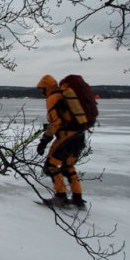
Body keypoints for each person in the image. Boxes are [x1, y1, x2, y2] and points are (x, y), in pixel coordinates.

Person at [35, 74, 86, 208]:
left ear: (47, 88)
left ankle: (60, 197)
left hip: (67, 137)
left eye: (42, 89)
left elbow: (56, 122)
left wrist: (45, 140)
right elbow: (63, 118)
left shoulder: (53, 98)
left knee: (50, 166)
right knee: (68, 166)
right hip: (79, 136)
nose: (42, 93)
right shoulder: (62, 95)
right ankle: (77, 198)